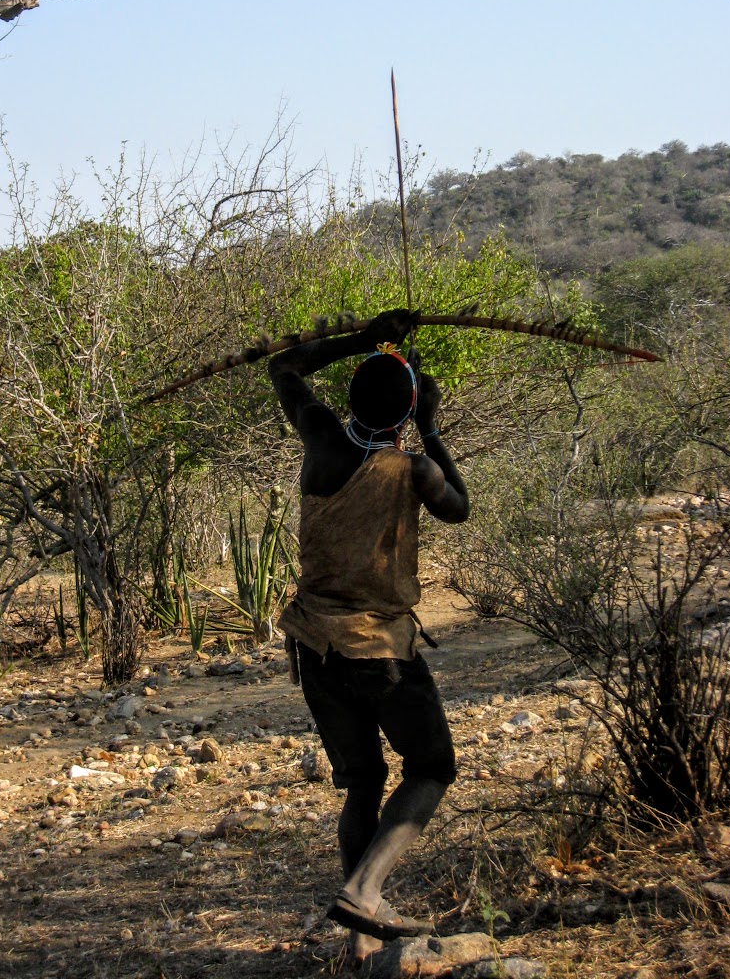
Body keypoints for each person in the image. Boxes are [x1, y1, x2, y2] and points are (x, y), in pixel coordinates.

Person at [268, 308, 469, 966]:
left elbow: (284, 367)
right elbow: (459, 506)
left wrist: (362, 337)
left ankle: (359, 941)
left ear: (348, 398)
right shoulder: (413, 470)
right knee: (432, 765)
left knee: (363, 780)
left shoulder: (321, 439)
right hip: (378, 648)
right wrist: (432, 428)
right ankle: (365, 891)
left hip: (315, 648)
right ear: (407, 411)